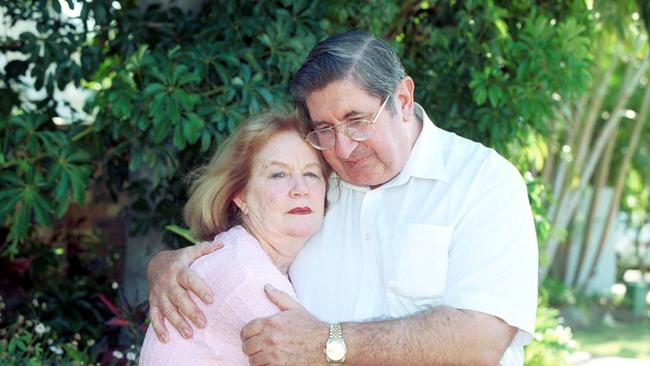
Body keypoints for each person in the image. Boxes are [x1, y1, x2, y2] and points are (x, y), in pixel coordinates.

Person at [146, 30, 538, 366]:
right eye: (325, 129)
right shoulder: (317, 179)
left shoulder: (482, 180)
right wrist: (164, 266)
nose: (344, 148)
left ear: (402, 99)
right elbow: (242, 255)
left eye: (356, 122)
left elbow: (482, 339)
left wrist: (328, 343)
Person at [139, 112, 330, 365]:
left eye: (312, 174)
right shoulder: (250, 279)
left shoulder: (239, 251)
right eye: (278, 174)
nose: (300, 189)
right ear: (241, 197)